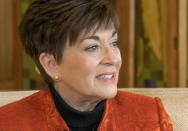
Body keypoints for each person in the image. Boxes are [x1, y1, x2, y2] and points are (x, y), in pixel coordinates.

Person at [0, 0, 173, 130]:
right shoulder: (8, 123)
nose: (112, 58)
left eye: (114, 43)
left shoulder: (149, 116)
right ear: (51, 64)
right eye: (92, 47)